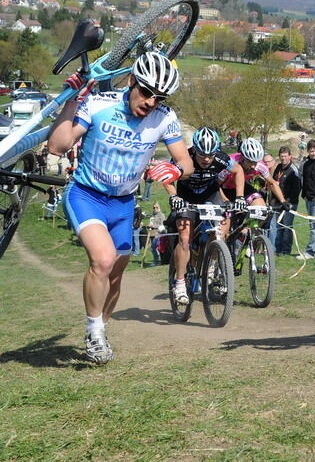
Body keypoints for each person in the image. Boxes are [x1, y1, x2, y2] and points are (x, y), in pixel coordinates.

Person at [48, 52, 192, 365]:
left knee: (115, 274)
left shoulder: (164, 118)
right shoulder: (99, 104)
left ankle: (101, 328)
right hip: (86, 195)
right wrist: (72, 99)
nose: (151, 102)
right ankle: (93, 330)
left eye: (160, 97)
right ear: (131, 81)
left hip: (124, 203)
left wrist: (176, 171)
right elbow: (57, 146)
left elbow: (186, 162)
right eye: (147, 92)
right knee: (103, 260)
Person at [162, 127, 232, 304]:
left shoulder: (221, 158)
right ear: (194, 149)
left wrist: (238, 197)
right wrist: (174, 196)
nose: (207, 159)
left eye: (210, 155)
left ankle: (213, 264)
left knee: (221, 230)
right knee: (185, 239)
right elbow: (167, 178)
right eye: (202, 155)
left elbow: (238, 171)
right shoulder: (183, 158)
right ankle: (179, 283)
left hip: (210, 195)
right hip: (186, 197)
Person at [218, 137, 289, 242]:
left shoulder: (259, 165)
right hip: (224, 190)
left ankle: (245, 232)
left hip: (243, 188)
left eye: (255, 162)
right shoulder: (230, 163)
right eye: (250, 162)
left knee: (261, 207)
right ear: (242, 157)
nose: (253, 165)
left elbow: (272, 183)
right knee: (223, 230)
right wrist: (225, 201)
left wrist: (283, 201)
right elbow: (216, 185)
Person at [271, 146, 302, 255]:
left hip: (289, 203)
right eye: (281, 156)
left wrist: (288, 202)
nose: (283, 158)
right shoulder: (278, 167)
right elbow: (274, 184)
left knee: (287, 227)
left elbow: (297, 188)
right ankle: (277, 248)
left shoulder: (293, 169)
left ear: (290, 156)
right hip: (277, 203)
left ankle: (286, 250)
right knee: (278, 227)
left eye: (285, 156)